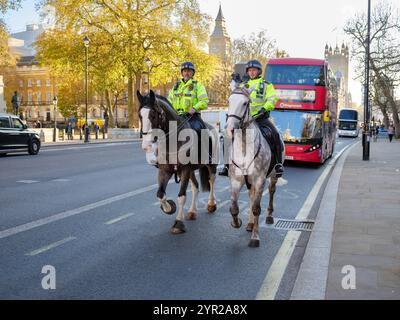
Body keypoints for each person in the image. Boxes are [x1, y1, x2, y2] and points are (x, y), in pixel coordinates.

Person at [219, 60, 284, 177]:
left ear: (259, 71)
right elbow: (236, 99)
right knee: (227, 136)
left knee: (275, 134)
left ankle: (278, 164)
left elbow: (272, 99)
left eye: (254, 70)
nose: (252, 72)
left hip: (261, 118)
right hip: (244, 120)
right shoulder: (243, 85)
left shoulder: (266, 85)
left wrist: (265, 108)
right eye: (249, 70)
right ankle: (227, 165)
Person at [168, 61, 209, 147]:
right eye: (185, 71)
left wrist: (194, 108)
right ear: (182, 73)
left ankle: (206, 155)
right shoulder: (176, 87)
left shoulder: (198, 85)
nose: (187, 73)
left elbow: (204, 101)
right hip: (177, 117)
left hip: (192, 117)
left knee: (201, 131)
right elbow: (169, 102)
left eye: (189, 71)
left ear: (192, 73)